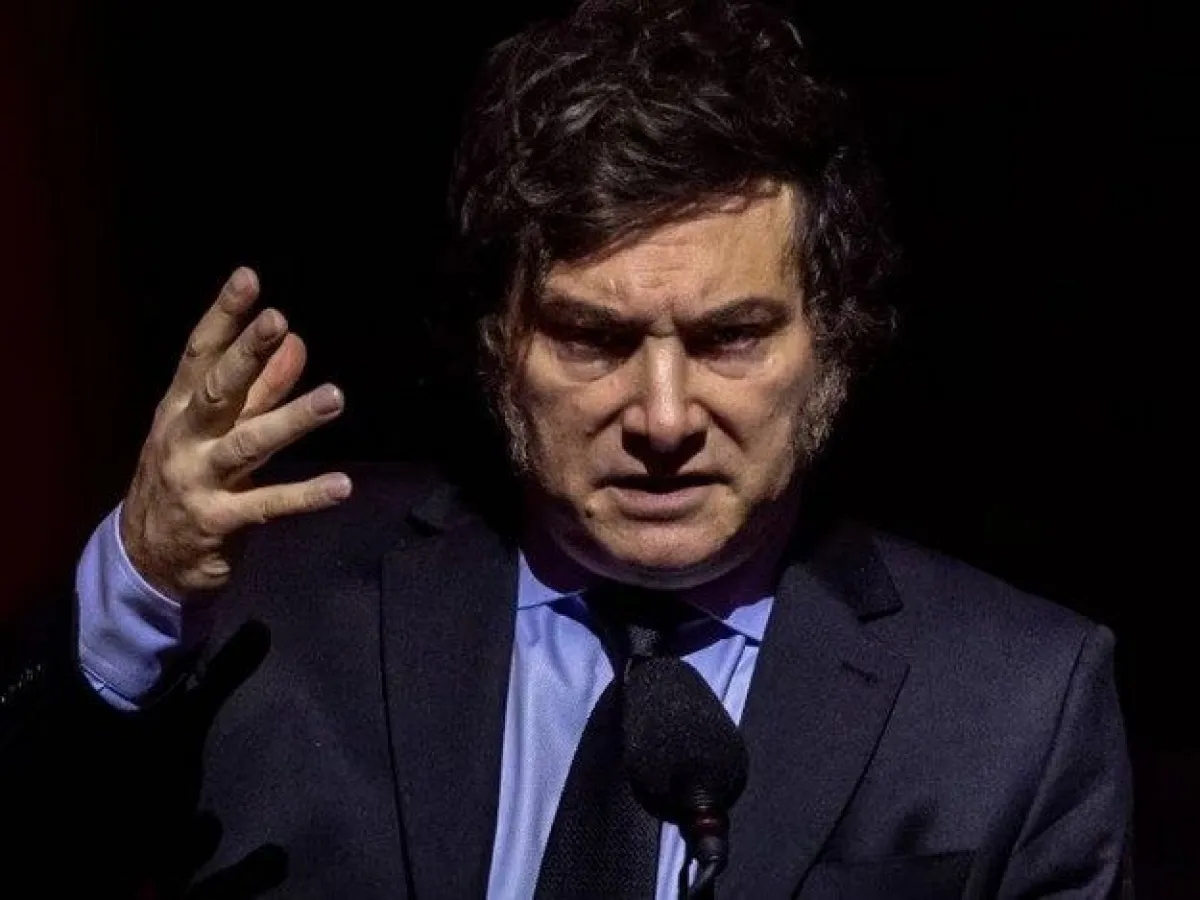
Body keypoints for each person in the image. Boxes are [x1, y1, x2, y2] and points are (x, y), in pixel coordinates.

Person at [0, 0, 1132, 897]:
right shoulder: (269, 592)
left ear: (831, 348)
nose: (664, 419)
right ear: (499, 346)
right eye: (592, 338)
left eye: (731, 338)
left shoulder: (1014, 704)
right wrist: (137, 587)